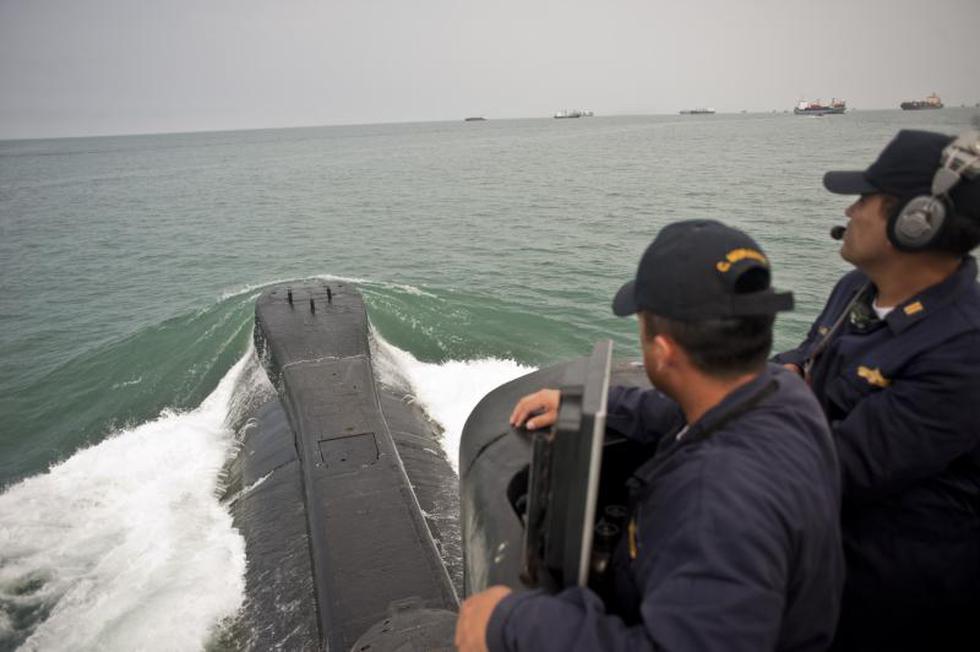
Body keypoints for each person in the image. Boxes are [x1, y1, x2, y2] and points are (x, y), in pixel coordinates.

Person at [455, 219, 844, 652]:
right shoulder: (783, 393)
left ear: (662, 351)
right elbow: (675, 411)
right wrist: (592, 404)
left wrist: (510, 624)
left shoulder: (714, 502)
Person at [772, 129, 980, 651]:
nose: (852, 210)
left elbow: (839, 469)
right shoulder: (857, 290)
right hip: (822, 539)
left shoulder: (965, 350)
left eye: (865, 198)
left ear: (915, 222)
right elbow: (795, 367)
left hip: (885, 590)